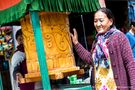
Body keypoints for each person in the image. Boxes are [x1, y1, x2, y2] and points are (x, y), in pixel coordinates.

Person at [70, 7, 135, 90]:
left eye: (101, 20)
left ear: (110, 21)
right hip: (100, 87)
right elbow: (90, 59)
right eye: (95, 21)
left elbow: (130, 63)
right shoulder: (97, 41)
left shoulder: (119, 37)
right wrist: (76, 43)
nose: (98, 24)